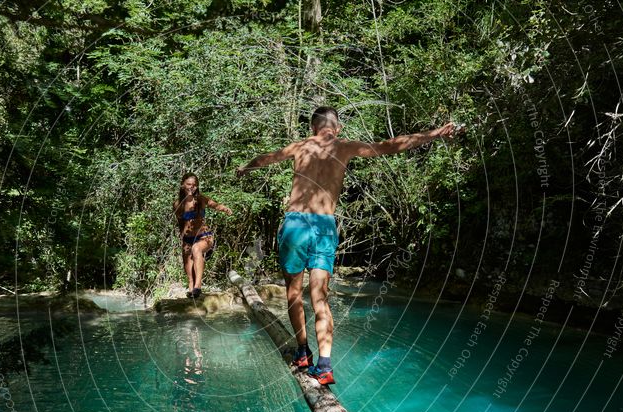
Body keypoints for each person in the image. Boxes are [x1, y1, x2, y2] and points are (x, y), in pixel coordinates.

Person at [237, 107, 456, 385]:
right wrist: (434, 133)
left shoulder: (300, 146)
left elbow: (267, 159)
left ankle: (303, 352)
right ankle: (325, 365)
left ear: (313, 128)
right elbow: (392, 146)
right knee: (320, 298)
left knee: (293, 292)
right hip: (324, 226)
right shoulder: (345, 147)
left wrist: (246, 166)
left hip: (296, 225)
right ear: (337, 128)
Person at [173, 173, 232, 298]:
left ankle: (198, 286)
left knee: (196, 248)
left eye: (194, 185)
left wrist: (225, 209)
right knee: (187, 260)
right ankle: (191, 287)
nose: (191, 187)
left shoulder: (201, 199)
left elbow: (215, 205)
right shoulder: (178, 204)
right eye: (189, 184)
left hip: (205, 236)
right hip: (188, 238)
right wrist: (183, 240)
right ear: (183, 185)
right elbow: (180, 223)